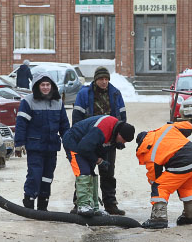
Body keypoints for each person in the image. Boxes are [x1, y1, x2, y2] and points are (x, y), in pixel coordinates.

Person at [71, 66, 127, 215]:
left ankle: (110, 204)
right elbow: (77, 118)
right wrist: (78, 138)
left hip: (108, 140)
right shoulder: (84, 94)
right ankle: (80, 203)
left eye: (106, 79)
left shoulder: (115, 94)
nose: (104, 82)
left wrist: (120, 138)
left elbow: (122, 117)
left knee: (108, 173)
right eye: (101, 79)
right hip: (89, 140)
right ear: (95, 80)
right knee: (85, 172)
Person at [14, 70, 70, 211]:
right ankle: (29, 202)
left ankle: (43, 205)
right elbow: (21, 124)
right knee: (35, 175)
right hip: (35, 147)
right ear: (37, 86)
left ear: (52, 86)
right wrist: (19, 143)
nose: (45, 87)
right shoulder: (28, 102)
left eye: (48, 84)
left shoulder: (58, 102)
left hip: (51, 147)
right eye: (43, 85)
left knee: (47, 177)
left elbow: (64, 126)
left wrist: (70, 143)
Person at [135, 121, 192, 229]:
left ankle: (159, 218)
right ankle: (190, 216)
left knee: (159, 187)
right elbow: (189, 127)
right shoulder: (167, 128)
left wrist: (157, 187)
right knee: (186, 188)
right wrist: (173, 124)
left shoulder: (149, 151)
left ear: (140, 144)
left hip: (181, 162)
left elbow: (154, 178)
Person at [62, 115, 135, 217]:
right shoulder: (101, 129)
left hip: (87, 145)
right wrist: (98, 160)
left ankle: (93, 206)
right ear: (119, 133)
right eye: (123, 140)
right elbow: (83, 148)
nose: (123, 143)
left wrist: (104, 155)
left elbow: (100, 147)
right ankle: (82, 206)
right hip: (74, 142)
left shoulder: (114, 131)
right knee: (84, 172)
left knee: (91, 173)